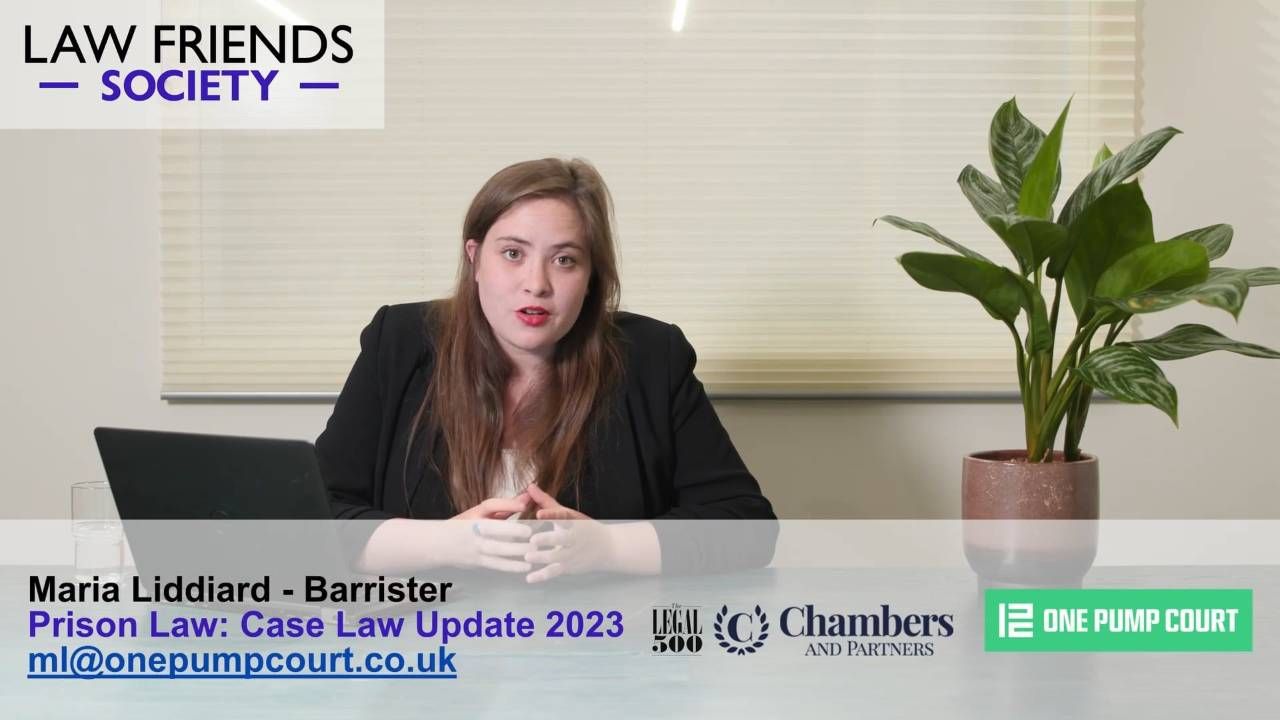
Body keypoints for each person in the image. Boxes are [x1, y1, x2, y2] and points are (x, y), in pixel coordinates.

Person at [316, 157, 776, 582]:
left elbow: (748, 527)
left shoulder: (652, 356)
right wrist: (445, 542)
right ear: (475, 258)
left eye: (564, 260)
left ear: (591, 276)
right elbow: (310, 520)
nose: (536, 284)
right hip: (429, 632)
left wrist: (609, 547)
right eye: (513, 253)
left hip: (602, 634)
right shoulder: (398, 342)